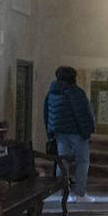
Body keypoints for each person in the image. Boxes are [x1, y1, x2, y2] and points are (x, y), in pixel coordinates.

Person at [43, 66, 96, 202]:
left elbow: (47, 113)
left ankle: (62, 193)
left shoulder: (51, 92)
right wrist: (87, 131)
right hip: (76, 132)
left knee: (63, 162)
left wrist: (50, 131)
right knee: (83, 161)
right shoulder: (75, 92)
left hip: (59, 132)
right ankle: (80, 193)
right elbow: (82, 114)